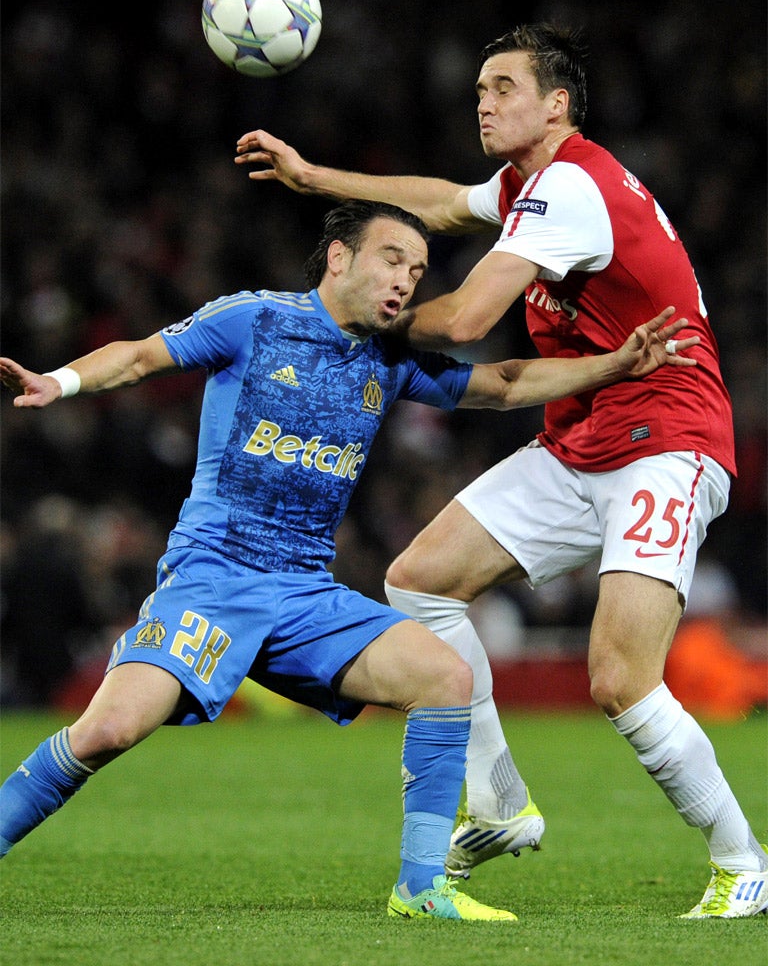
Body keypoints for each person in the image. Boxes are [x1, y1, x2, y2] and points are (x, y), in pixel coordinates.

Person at [0, 200, 695, 922]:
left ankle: (421, 888)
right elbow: (142, 355)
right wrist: (63, 381)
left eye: (419, 271)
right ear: (340, 258)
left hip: (306, 593)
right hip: (215, 578)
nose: (406, 281)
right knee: (106, 732)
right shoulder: (256, 319)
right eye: (392, 259)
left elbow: (506, 384)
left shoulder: (387, 359)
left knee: (446, 677)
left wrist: (613, 365)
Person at [233, 25, 768, 919]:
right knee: (421, 582)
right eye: (478, 86)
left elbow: (470, 316)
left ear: (555, 104)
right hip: (583, 438)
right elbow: (442, 202)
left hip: (667, 438)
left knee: (620, 679)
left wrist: (349, 315)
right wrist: (318, 180)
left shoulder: (573, 187)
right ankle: (499, 803)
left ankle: (742, 860)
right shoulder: (532, 185)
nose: (482, 100)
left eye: (502, 86)